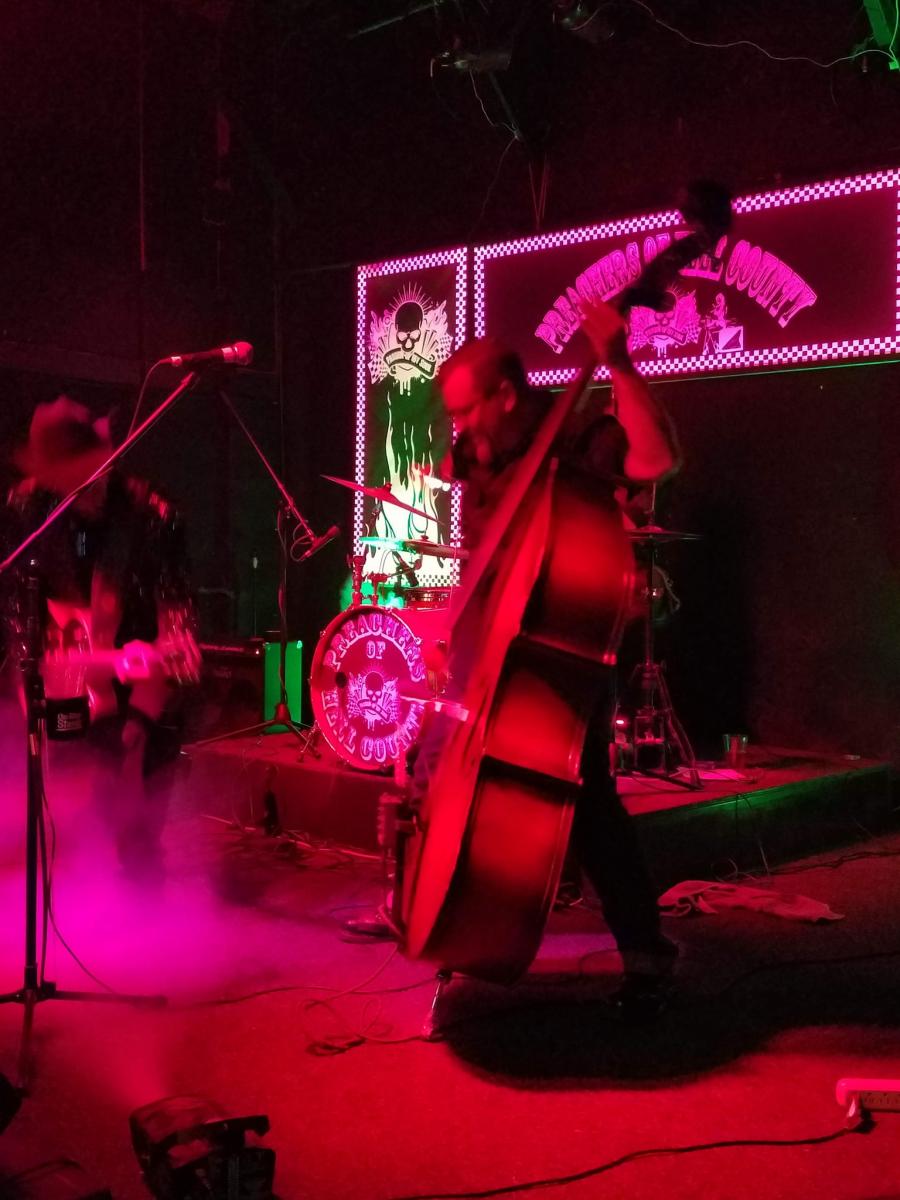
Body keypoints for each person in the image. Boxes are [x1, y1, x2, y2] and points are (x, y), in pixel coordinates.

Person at [414, 298, 681, 1019]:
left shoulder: (573, 439)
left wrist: (618, 363)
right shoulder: (479, 449)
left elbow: (657, 459)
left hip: (559, 656)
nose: (459, 429)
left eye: (466, 411)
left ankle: (646, 951)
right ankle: (434, 913)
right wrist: (450, 626)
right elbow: (471, 512)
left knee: (586, 798)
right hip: (484, 649)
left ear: (506, 395)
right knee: (434, 765)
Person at [2, 395, 199, 885]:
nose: (79, 488)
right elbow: (21, 627)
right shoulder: (28, 508)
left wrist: (140, 720)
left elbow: (176, 638)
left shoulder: (153, 515)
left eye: (86, 473)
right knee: (73, 828)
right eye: (63, 477)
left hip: (143, 688)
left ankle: (143, 888)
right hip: (69, 688)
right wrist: (35, 701)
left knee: (137, 826)